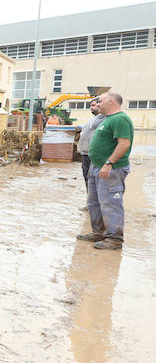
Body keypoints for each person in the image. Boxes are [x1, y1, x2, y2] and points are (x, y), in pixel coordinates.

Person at [76, 92, 133, 250]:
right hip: (96, 166)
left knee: (110, 203)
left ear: (111, 101)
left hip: (111, 169)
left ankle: (114, 239)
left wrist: (109, 163)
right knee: (94, 202)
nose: (97, 104)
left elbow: (124, 144)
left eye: (100, 101)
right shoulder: (107, 119)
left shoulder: (120, 119)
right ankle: (99, 232)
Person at [77, 96, 105, 210]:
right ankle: (91, 202)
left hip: (93, 155)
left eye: (94, 105)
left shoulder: (105, 118)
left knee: (94, 179)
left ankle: (97, 204)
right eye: (91, 106)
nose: (92, 108)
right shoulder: (94, 119)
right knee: (87, 178)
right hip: (85, 153)